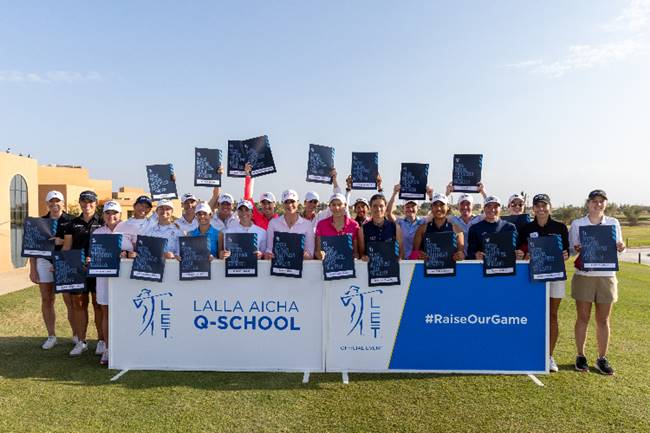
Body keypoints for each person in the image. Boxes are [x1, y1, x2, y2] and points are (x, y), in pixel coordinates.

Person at [569, 189, 625, 375]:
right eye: (594, 201)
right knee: (583, 318)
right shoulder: (578, 224)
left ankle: (602, 358)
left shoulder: (613, 223)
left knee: (603, 319)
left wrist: (621, 247)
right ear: (588, 203)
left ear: (605, 204)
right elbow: (572, 249)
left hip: (607, 276)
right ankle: (580, 356)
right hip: (584, 276)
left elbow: (619, 247)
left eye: (601, 201)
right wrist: (576, 248)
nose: (598, 204)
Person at [516, 193, 569, 373]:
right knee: (533, 314)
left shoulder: (560, 227)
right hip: (534, 274)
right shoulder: (526, 228)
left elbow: (566, 250)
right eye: (537, 206)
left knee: (552, 315)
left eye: (544, 205)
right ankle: (529, 352)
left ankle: (549, 355)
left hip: (555, 275)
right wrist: (523, 254)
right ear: (533, 209)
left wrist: (566, 254)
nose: (541, 209)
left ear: (550, 207)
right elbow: (521, 250)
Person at [91, 201, 137, 365]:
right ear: (103, 215)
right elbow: (95, 254)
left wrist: (129, 254)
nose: (111, 216)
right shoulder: (98, 232)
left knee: (126, 310)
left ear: (120, 214)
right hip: (104, 276)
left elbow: (138, 251)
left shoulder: (130, 228)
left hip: (125, 278)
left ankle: (127, 346)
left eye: (115, 213)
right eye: (108, 213)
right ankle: (109, 348)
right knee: (106, 310)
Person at [28, 190, 74, 350]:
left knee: (70, 300)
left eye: (57, 201)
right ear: (47, 204)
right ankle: (51, 336)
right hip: (44, 262)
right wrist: (32, 269)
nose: (54, 204)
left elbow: (75, 244)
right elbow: (32, 248)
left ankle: (76, 335)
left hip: (65, 262)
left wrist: (62, 241)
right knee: (47, 299)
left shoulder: (71, 221)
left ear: (63, 202)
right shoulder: (39, 222)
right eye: (51, 202)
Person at [62, 190, 104, 357]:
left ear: (96, 203)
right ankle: (81, 341)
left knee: (98, 305)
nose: (87, 205)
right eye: (84, 201)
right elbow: (66, 247)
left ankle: (102, 341)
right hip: (77, 270)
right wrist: (60, 264)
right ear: (79, 203)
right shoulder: (72, 224)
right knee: (79, 305)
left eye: (90, 202)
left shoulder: (103, 221)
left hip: (98, 269)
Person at [410, 193, 465, 261]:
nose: (438, 208)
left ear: (447, 207)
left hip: (450, 269)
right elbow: (412, 256)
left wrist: (459, 256)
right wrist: (418, 255)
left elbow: (462, 256)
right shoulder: (422, 229)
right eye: (435, 205)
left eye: (442, 205)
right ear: (431, 208)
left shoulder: (457, 230)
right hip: (427, 270)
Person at [466, 195, 521, 260]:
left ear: (500, 209)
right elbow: (470, 252)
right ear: (484, 209)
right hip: (482, 267)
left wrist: (519, 254)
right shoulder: (474, 228)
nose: (492, 210)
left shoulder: (510, 227)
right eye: (489, 206)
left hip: (506, 268)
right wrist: (475, 255)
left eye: (496, 206)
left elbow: (517, 249)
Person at [265, 190, 315, 259]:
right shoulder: (273, 223)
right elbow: (269, 249)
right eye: (286, 202)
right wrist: (268, 255)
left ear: (298, 202)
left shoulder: (308, 225)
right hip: (279, 267)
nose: (290, 205)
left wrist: (305, 255)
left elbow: (310, 253)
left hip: (301, 267)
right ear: (282, 204)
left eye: (292, 201)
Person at [386, 184, 431, 259]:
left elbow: (435, 213)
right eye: (407, 207)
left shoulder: (423, 221)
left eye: (413, 206)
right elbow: (389, 213)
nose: (410, 209)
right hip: (402, 261)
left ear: (418, 208)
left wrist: (430, 195)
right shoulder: (399, 222)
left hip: (418, 261)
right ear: (403, 208)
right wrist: (394, 193)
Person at [315, 193, 360, 260]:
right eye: (333, 205)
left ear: (345, 206)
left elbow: (356, 252)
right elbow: (317, 251)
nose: (336, 208)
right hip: (327, 266)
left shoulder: (354, 225)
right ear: (329, 206)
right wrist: (320, 254)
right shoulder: (321, 225)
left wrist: (355, 257)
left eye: (339, 204)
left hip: (347, 267)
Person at [446, 181, 487, 255]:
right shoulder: (453, 220)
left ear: (473, 206)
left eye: (468, 204)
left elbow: (490, 211)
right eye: (462, 204)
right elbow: (439, 214)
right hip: (459, 259)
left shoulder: (479, 219)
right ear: (458, 206)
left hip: (476, 259)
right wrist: (447, 194)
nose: (465, 207)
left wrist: (483, 193)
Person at [358, 193, 403, 260]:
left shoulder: (396, 227)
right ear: (370, 208)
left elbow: (401, 253)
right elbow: (361, 254)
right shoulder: (362, 229)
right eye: (375, 206)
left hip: (391, 267)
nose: (378, 209)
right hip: (371, 268)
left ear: (385, 207)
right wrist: (364, 257)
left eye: (381, 206)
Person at [243, 163, 278, 230]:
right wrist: (248, 175)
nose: (266, 206)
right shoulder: (257, 217)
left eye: (269, 203)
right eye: (264, 203)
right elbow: (247, 198)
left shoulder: (281, 221)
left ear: (274, 204)